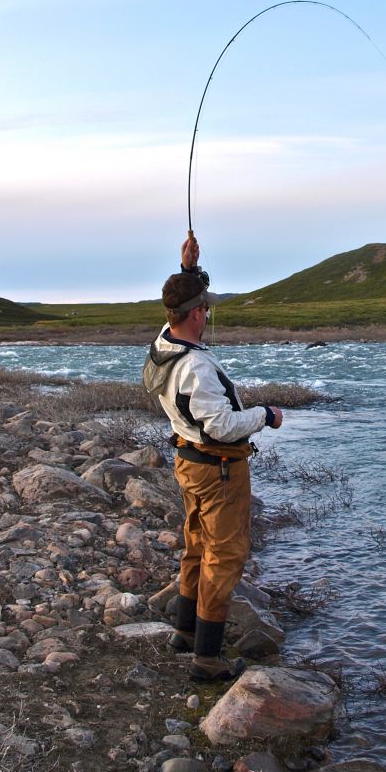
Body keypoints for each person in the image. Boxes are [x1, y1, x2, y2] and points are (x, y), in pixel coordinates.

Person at [142, 234, 283, 680]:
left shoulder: (164, 342)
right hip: (218, 471)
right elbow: (220, 426)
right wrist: (265, 415)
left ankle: (185, 634)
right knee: (224, 555)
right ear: (198, 314)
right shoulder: (196, 368)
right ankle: (207, 660)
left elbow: (178, 306)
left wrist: (187, 270)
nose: (207, 315)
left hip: (189, 464)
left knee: (196, 546)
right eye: (205, 309)